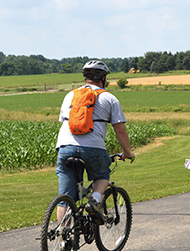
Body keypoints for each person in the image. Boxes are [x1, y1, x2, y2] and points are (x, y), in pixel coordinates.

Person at [55, 60, 135, 223]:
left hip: (65, 147)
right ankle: (94, 200)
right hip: (93, 149)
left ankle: (64, 238)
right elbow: (120, 130)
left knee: (65, 198)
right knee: (102, 175)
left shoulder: (70, 96)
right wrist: (128, 152)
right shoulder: (109, 98)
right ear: (103, 79)